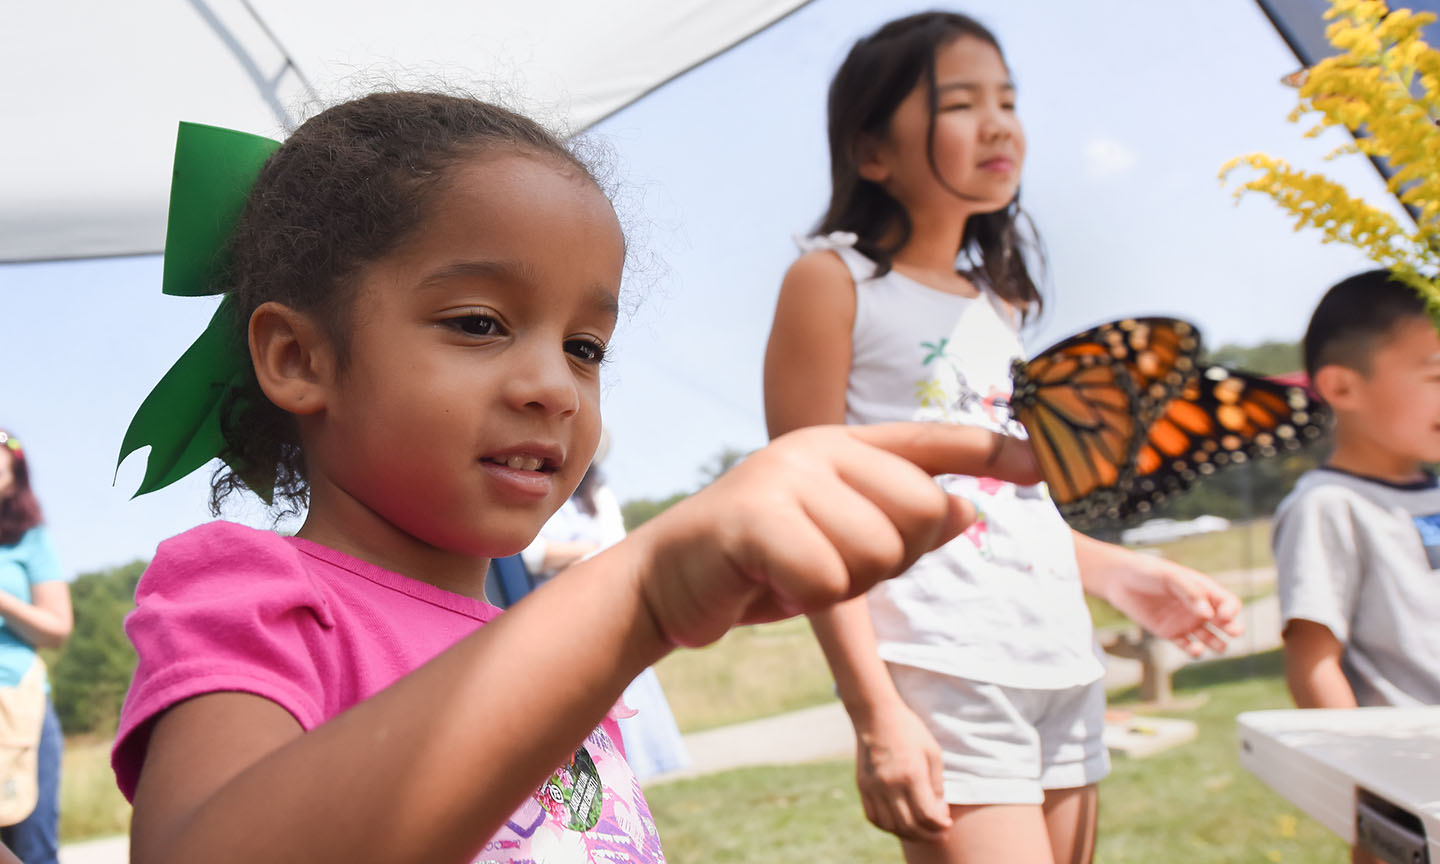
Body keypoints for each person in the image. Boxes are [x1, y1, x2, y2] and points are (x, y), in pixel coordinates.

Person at [111, 90, 1046, 864]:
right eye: (478, 322)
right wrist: (635, 595)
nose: (554, 386)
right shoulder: (250, 589)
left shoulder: (546, 645)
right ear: (298, 357)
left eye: (586, 346)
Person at [763, 14, 1244, 864]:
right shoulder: (832, 281)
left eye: (1008, 100)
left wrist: (1123, 574)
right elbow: (805, 508)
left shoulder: (1002, 308)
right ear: (873, 152)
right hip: (944, 663)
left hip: (1063, 656)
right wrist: (875, 711)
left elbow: (1016, 503)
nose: (998, 123)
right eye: (961, 102)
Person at [1276, 269, 1440, 713]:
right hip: (1409, 768)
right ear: (1342, 386)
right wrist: (1359, 777)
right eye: (1437, 377)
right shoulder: (1328, 506)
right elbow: (1312, 663)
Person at [522, 429, 691, 781]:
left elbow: (616, 546)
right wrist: (590, 550)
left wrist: (570, 554)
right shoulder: (536, 492)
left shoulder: (598, 495)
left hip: (604, 611)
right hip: (557, 617)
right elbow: (533, 555)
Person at [0, 431, 73, 864]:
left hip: (16, 705)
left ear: (13, 480)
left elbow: (57, 627)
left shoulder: (28, 541)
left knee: (31, 848)